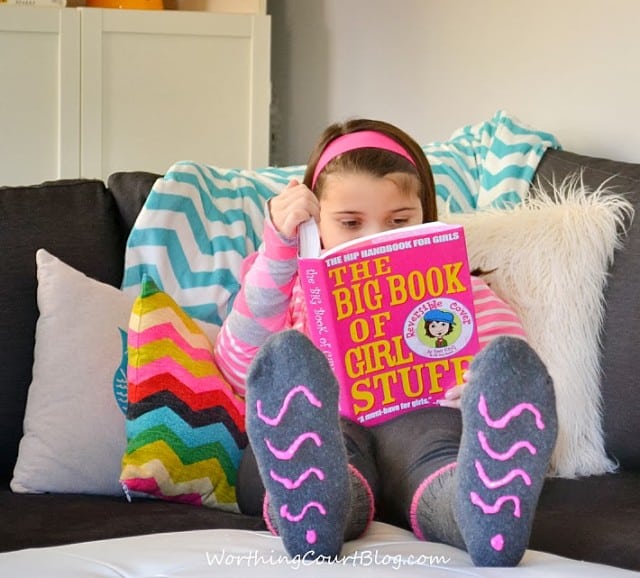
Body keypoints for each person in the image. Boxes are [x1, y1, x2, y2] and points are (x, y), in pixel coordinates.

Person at [214, 118, 558, 567]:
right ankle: (320, 509)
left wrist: (476, 387)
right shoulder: (290, 288)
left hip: (422, 421)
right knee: (281, 455)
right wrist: (280, 252)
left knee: (440, 455)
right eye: (350, 222)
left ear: (424, 216)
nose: (374, 237)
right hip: (330, 427)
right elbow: (238, 367)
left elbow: (506, 363)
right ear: (316, 224)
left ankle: (480, 515)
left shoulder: (459, 290)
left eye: (398, 220)